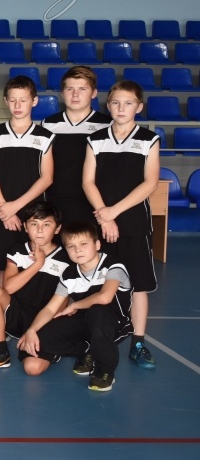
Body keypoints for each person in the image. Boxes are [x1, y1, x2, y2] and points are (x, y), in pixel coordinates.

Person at [82, 80, 159, 370]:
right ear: (108, 105)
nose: (121, 108)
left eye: (128, 103)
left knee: (138, 285)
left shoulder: (149, 139)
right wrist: (105, 216)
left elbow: (150, 183)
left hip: (134, 223)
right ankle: (93, 343)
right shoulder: (96, 139)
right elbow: (88, 181)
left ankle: (138, 343)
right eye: (115, 103)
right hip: (101, 223)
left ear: (139, 107)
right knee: (97, 282)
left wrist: (113, 213)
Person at [17, 221, 133, 391]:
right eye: (71, 246)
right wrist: (32, 330)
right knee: (37, 345)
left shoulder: (113, 265)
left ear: (97, 245)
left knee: (97, 313)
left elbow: (104, 297)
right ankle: (87, 350)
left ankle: (105, 370)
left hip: (113, 323)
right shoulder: (69, 275)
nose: (78, 250)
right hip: (84, 322)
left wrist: (74, 305)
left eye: (83, 244)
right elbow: (50, 308)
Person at [0, 202, 71, 372]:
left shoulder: (66, 259)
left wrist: (35, 329)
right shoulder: (18, 251)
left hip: (45, 320)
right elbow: (8, 288)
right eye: (34, 224)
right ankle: (1, 352)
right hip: (17, 315)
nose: (39, 230)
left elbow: (61, 304)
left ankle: (53, 349)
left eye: (46, 224)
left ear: (57, 229)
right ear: (25, 227)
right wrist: (38, 264)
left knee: (32, 368)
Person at [0, 75, 54, 284]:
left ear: (34, 101)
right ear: (5, 101)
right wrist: (5, 209)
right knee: (1, 265)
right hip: (2, 211)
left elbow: (47, 178)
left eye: (23, 100)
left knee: (33, 260)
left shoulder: (45, 136)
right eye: (12, 100)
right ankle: (0, 303)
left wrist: (15, 206)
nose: (17, 105)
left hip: (33, 212)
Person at [41, 66, 111, 225]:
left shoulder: (107, 125)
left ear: (94, 93)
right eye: (70, 89)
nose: (75, 94)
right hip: (55, 202)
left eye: (82, 89)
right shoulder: (48, 124)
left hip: (94, 204)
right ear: (62, 92)